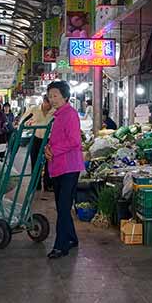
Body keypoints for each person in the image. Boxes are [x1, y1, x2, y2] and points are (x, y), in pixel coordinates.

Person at [44, 80, 85, 259]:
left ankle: (61, 246)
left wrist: (53, 149)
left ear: (65, 96)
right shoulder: (58, 115)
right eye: (50, 96)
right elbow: (55, 139)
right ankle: (72, 238)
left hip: (69, 167)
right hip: (58, 166)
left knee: (62, 206)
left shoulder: (70, 114)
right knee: (63, 206)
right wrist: (47, 148)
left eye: (55, 95)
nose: (52, 99)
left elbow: (74, 141)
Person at [21, 95, 55, 192]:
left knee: (49, 162)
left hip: (49, 140)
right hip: (36, 138)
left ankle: (48, 184)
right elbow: (23, 121)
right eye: (48, 103)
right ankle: (36, 184)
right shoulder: (34, 109)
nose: (49, 106)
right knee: (35, 161)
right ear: (44, 101)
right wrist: (27, 124)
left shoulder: (55, 112)